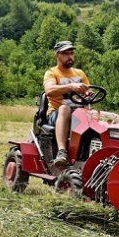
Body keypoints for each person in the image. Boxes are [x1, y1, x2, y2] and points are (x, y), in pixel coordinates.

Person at [43, 40, 89, 168]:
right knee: (65, 108)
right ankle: (62, 152)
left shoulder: (80, 74)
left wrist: (88, 94)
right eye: (65, 53)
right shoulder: (52, 73)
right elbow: (49, 90)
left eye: (71, 53)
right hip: (56, 115)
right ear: (57, 55)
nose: (70, 56)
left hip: (78, 114)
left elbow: (88, 92)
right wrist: (71, 86)